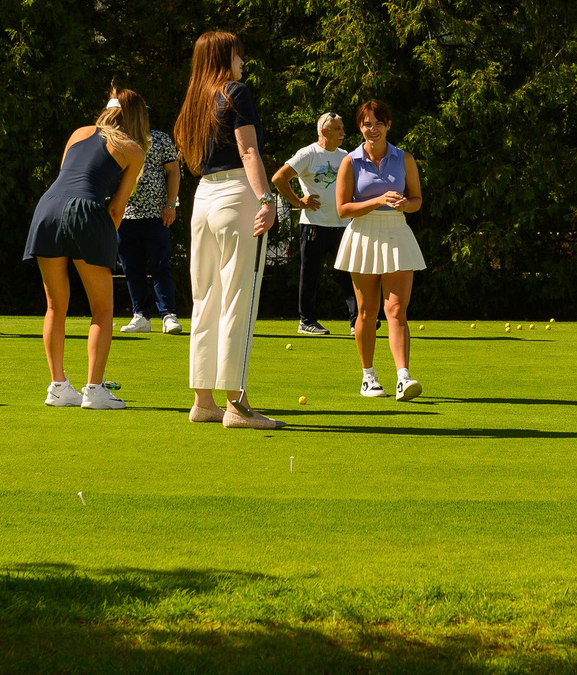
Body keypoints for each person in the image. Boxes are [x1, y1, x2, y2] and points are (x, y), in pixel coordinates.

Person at [174, 31, 286, 429]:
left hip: (203, 199)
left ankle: (203, 402)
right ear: (226, 55)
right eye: (239, 53)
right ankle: (237, 405)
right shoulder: (234, 91)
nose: (243, 60)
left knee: (205, 298)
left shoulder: (195, 99)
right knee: (238, 297)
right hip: (237, 194)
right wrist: (267, 200)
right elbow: (249, 150)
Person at [24, 94, 149, 409]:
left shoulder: (78, 133)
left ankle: (58, 388)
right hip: (87, 212)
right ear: (136, 118)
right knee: (103, 309)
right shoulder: (133, 150)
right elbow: (117, 209)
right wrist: (104, 240)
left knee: (55, 306)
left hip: (47, 208)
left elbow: (69, 176)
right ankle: (94, 390)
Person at [333, 100, 426, 401]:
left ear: (388, 125)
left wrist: (404, 204)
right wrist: (377, 201)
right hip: (363, 235)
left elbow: (417, 200)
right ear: (359, 127)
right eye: (366, 124)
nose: (372, 129)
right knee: (366, 312)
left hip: (397, 233)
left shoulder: (404, 158)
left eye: (378, 123)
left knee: (397, 310)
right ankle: (368, 377)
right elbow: (342, 209)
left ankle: (403, 377)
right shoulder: (350, 161)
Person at [273, 113, 358, 338]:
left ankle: (357, 321)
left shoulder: (345, 156)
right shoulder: (308, 154)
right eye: (338, 129)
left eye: (342, 127)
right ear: (324, 131)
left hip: (342, 225)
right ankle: (307, 321)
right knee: (310, 275)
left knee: (350, 273)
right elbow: (279, 178)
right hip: (314, 225)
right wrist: (298, 202)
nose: (343, 133)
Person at [115, 99, 182, 336]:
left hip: (157, 214)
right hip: (125, 215)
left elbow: (173, 171)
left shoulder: (161, 139)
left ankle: (168, 315)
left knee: (161, 265)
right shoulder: (118, 141)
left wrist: (170, 204)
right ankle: (140, 315)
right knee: (132, 268)